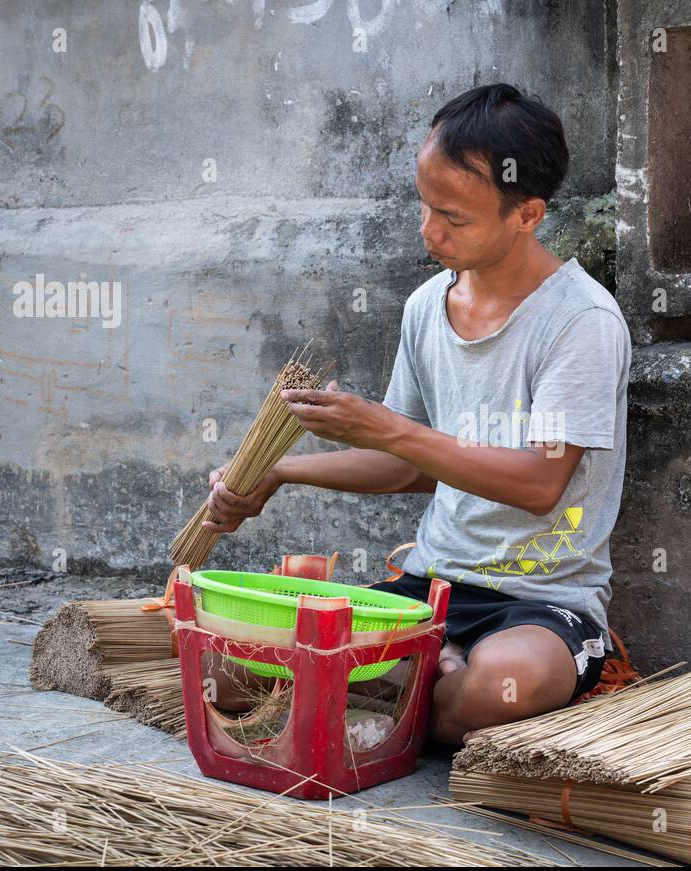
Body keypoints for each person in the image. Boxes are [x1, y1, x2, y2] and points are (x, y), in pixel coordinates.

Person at [203, 83, 631, 745]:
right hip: (428, 587)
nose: (428, 231)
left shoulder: (581, 321)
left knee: (498, 684)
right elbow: (411, 469)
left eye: (453, 218)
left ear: (528, 215)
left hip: (542, 604)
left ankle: (399, 689)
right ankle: (424, 684)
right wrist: (280, 471)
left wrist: (391, 428)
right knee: (233, 678)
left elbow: (541, 486)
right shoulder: (428, 307)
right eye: (424, 206)